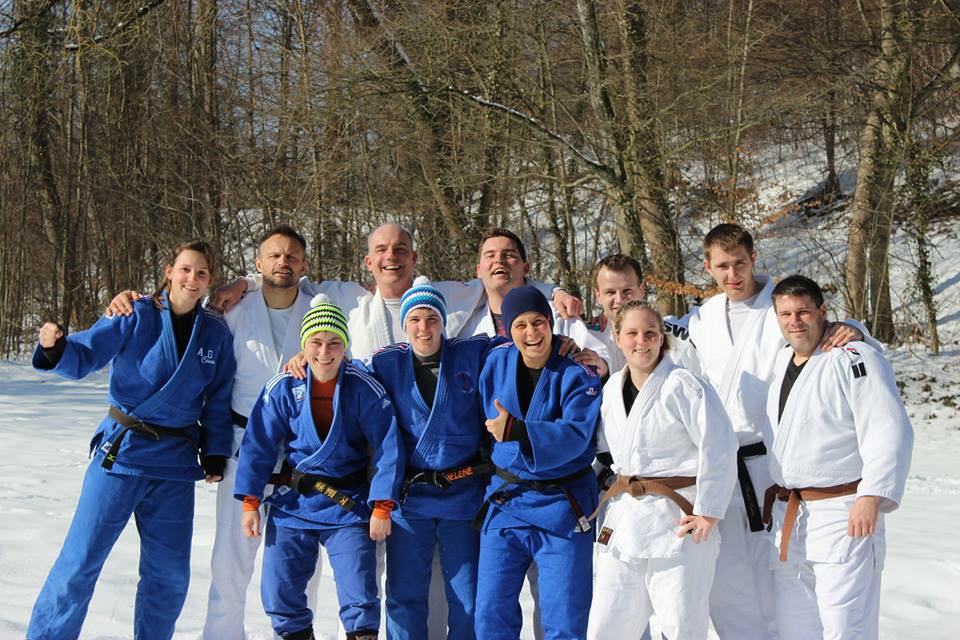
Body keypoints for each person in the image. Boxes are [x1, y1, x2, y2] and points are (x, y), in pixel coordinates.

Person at [104, 225, 365, 639]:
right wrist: (131, 300)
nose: (283, 262)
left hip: (303, 453)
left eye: (292, 256)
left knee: (300, 566)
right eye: (274, 256)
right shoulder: (232, 310)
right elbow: (185, 323)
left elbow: (378, 294)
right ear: (258, 264)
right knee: (230, 562)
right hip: (243, 446)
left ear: (305, 266)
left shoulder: (322, 308)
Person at [664, 223, 875, 639]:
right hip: (722, 465)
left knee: (780, 576)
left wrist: (856, 329)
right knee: (727, 580)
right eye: (722, 266)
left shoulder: (781, 304)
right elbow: (648, 336)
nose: (732, 274)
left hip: (772, 464)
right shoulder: (702, 318)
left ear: (754, 259)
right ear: (707, 267)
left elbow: (824, 329)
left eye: (739, 263)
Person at [27, 241, 235, 640]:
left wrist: (214, 452)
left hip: (174, 465)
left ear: (210, 280)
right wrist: (55, 348)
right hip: (121, 455)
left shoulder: (215, 333)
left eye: (202, 273)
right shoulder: (135, 313)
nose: (192, 279)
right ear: (169, 271)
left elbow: (219, 398)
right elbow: (87, 353)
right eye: (185, 269)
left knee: (169, 576)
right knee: (79, 563)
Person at [234, 298, 405, 640]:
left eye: (334, 343)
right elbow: (258, 443)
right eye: (316, 342)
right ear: (304, 345)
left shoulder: (363, 387)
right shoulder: (284, 386)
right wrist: (251, 501)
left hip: (347, 504)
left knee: (359, 592)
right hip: (294, 502)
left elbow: (389, 446)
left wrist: (382, 505)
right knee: (278, 590)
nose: (324, 352)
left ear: (345, 346)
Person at [762, 275, 912, 640]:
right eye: (785, 314)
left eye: (803, 312)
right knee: (797, 629)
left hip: (843, 511)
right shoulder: (780, 360)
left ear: (822, 312)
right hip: (791, 516)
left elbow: (887, 427)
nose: (794, 321)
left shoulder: (853, 357)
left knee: (844, 627)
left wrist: (871, 495)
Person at [586, 300, 738, 640]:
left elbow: (720, 446)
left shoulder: (684, 385)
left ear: (662, 338)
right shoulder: (611, 388)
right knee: (607, 625)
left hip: (677, 523)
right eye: (632, 333)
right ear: (618, 338)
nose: (642, 341)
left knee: (681, 626)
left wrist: (708, 511)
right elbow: (605, 451)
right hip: (625, 522)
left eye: (650, 333)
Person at [366, 283, 497, 640]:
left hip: (464, 494)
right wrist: (304, 358)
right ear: (404, 325)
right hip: (410, 497)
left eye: (432, 319)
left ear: (443, 322)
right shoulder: (386, 362)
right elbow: (343, 376)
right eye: (415, 320)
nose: (424, 328)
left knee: (468, 597)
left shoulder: (470, 353)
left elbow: (517, 341)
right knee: (404, 595)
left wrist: (565, 343)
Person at [474, 285, 602, 640]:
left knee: (565, 617)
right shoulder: (494, 362)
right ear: (507, 330)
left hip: (563, 504)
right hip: (507, 500)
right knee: (489, 613)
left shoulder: (578, 372)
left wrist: (517, 430)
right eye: (520, 325)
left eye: (538, 322)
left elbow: (576, 434)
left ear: (550, 322)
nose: (531, 332)